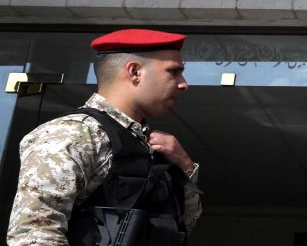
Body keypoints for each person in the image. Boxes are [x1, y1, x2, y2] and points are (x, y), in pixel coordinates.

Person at [7, 29, 202, 246]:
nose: (184, 83)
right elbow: (34, 233)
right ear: (135, 72)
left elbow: (183, 225)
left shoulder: (153, 145)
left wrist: (185, 167)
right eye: (173, 72)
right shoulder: (74, 134)